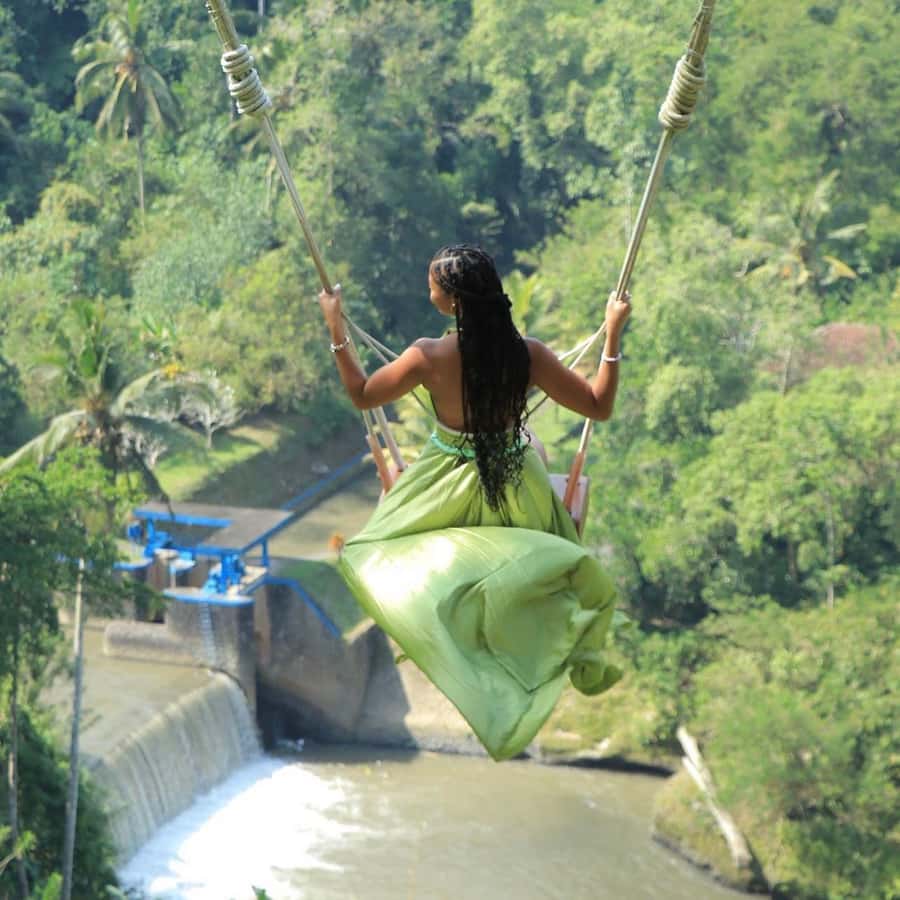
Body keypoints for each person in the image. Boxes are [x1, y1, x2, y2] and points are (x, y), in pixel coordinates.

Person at [318, 244, 631, 761]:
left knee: (382, 547)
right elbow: (598, 405)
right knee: (535, 466)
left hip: (443, 484)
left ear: (454, 300)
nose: (429, 293)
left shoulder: (428, 356)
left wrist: (336, 329)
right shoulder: (527, 354)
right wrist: (613, 334)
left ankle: (452, 640)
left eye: (433, 287)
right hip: (516, 486)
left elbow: (362, 395)